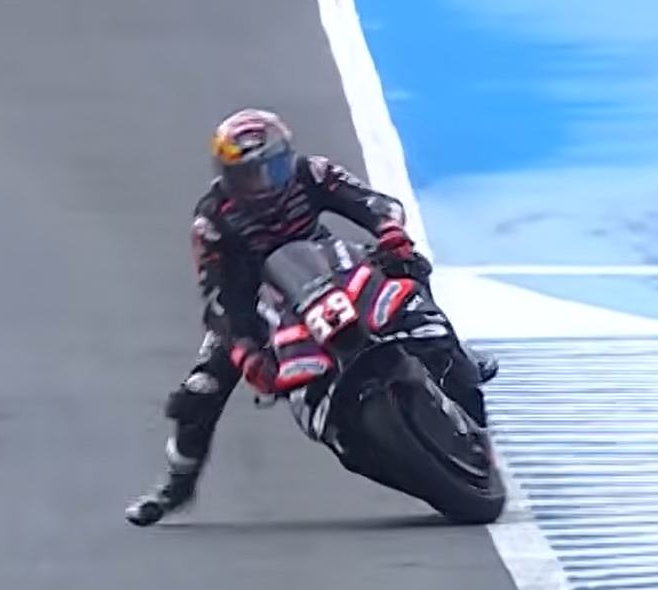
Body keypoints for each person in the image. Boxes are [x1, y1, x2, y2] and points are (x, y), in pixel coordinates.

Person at [125, 108, 495, 526]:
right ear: (227, 176)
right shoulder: (212, 220)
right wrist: (245, 351)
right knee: (200, 389)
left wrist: (390, 232)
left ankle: (456, 355)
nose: (261, 184)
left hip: (331, 265)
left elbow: (374, 203)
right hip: (257, 300)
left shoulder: (312, 174)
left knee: (407, 266)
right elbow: (217, 298)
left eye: (270, 170)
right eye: (247, 175)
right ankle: (177, 483)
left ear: (287, 159)